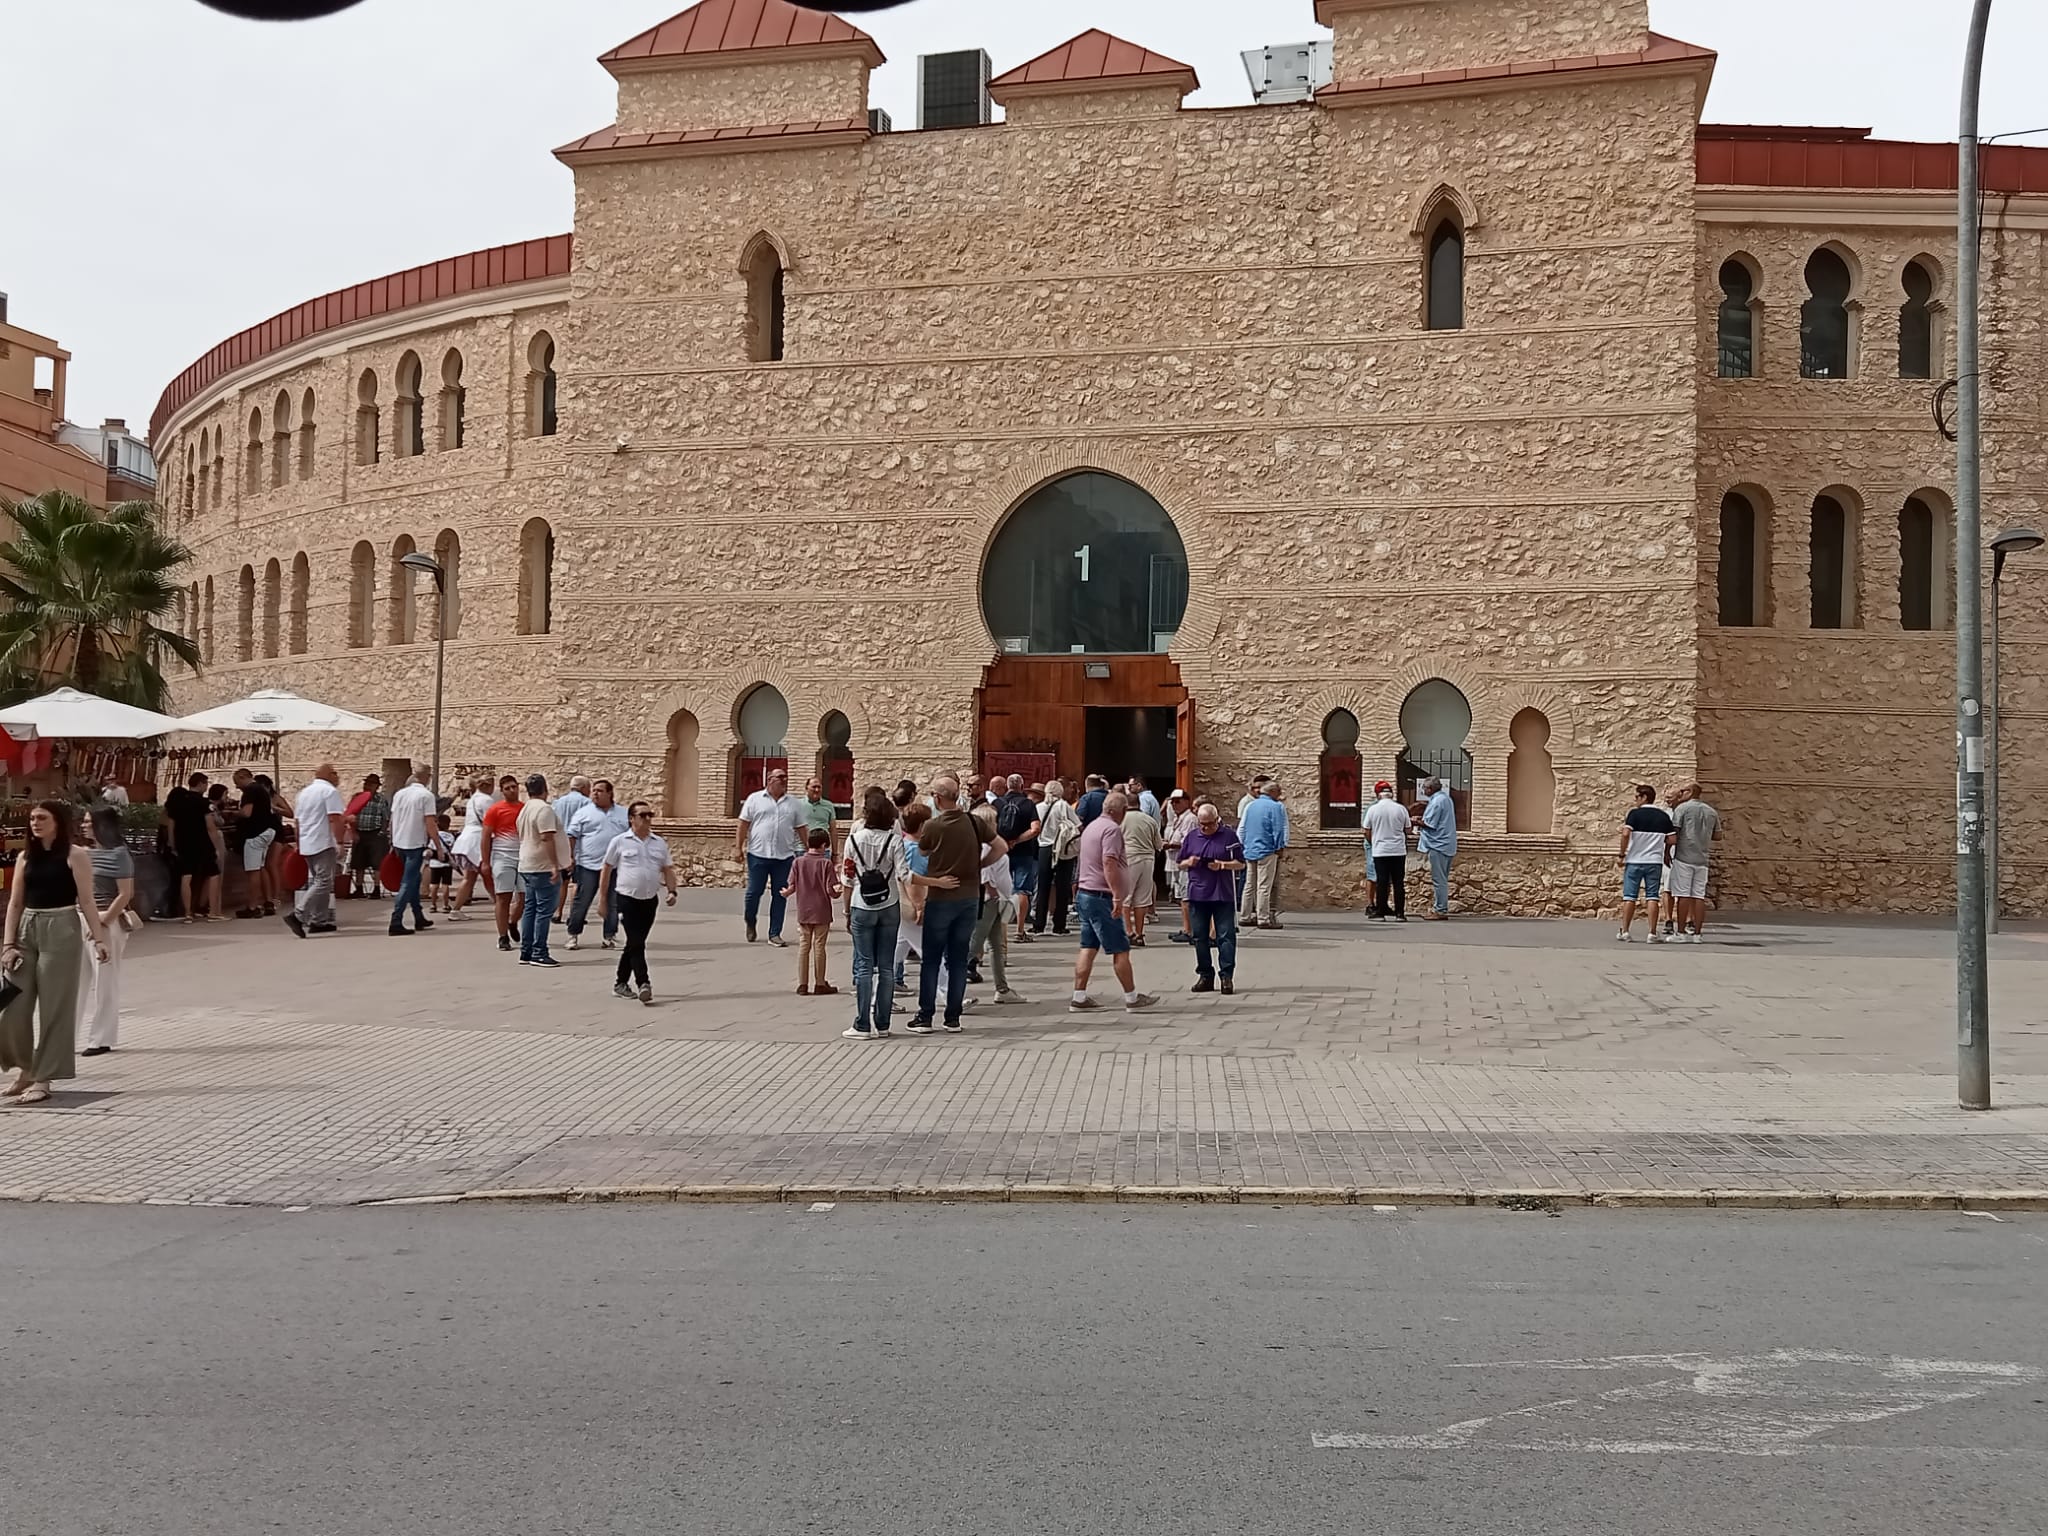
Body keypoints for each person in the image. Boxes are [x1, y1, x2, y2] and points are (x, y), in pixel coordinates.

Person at [1, 801, 111, 1105]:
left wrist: (99, 939)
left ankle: (44, 1077)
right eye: (32, 818)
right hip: (26, 929)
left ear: (58, 822)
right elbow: (15, 902)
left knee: (54, 1007)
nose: (35, 823)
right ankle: (25, 1069)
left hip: (61, 928)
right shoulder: (25, 856)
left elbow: (87, 901)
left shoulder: (76, 855)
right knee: (11, 1004)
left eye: (42, 818)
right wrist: (8, 944)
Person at [910, 774, 991, 1033]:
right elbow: (1000, 846)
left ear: (937, 798)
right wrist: (979, 866)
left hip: (941, 898)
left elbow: (922, 850)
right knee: (958, 959)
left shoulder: (934, 826)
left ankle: (925, 1016)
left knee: (931, 959)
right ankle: (953, 1017)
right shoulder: (974, 821)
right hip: (969, 897)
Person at [1069, 791, 1157, 1012]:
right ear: (1123, 810)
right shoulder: (1111, 829)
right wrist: (1117, 895)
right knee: (1120, 948)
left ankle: (1079, 996)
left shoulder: (1092, 827)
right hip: (1101, 896)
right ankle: (1132, 998)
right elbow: (1109, 861)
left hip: (1086, 893)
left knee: (1088, 946)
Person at [842, 787, 908, 1038]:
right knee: (887, 967)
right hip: (889, 902)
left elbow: (848, 878)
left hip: (862, 903)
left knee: (864, 966)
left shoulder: (853, 840)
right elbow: (903, 874)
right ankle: (883, 1023)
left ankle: (862, 1023)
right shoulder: (894, 840)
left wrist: (846, 911)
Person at [600, 800, 677, 1004]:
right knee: (636, 942)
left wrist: (672, 891)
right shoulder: (620, 841)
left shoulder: (658, 842)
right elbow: (607, 868)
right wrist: (603, 899)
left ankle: (620, 983)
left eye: (650, 815)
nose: (647, 819)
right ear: (631, 818)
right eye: (643, 815)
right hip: (627, 899)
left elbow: (667, 869)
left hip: (649, 900)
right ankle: (644, 983)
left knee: (636, 942)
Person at [80, 809, 135, 1057]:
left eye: (89, 822)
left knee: (105, 980)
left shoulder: (119, 854)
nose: (84, 826)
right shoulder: (83, 853)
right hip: (81, 918)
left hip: (106, 919)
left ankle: (102, 1038)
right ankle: (65, 1036)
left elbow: (125, 893)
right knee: (76, 981)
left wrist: (104, 920)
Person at [1178, 800, 1245, 994]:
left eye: (1209, 824)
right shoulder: (1192, 837)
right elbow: (1180, 862)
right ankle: (1206, 975)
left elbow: (1241, 863)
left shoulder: (1229, 836)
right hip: (1198, 894)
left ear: (1217, 820)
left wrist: (1222, 865)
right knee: (1200, 937)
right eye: (1202, 824)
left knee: (1226, 936)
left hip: (1222, 894)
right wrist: (1189, 862)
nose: (1205, 828)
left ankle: (1226, 976)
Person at [736, 767, 803, 947]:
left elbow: (801, 828)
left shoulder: (794, 803)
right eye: (780, 777)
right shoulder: (754, 799)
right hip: (758, 854)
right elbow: (743, 824)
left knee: (780, 895)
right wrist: (738, 848)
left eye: (785, 777)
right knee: (753, 892)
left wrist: (808, 849)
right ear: (770, 779)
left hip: (784, 856)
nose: (784, 780)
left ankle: (775, 933)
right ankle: (750, 921)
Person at [967, 801, 1025, 1004]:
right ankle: (951, 986)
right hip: (990, 900)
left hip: (997, 899)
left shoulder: (984, 845)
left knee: (996, 945)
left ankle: (1002, 988)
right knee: (975, 944)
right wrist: (992, 891)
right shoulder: (985, 846)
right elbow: (983, 872)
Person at [563, 779, 630, 951]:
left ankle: (609, 936)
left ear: (610, 793)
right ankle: (573, 934)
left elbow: (630, 837)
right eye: (593, 790)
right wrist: (570, 857)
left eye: (600, 790)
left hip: (615, 866)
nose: (595, 793)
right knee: (582, 901)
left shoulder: (623, 813)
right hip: (588, 865)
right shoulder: (583, 813)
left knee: (613, 902)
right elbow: (572, 835)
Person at [283, 763, 346, 938]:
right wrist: (340, 841)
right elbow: (334, 818)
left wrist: (299, 843)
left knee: (319, 881)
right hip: (322, 841)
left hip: (307, 842)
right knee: (323, 881)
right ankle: (298, 914)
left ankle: (319, 920)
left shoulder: (304, 793)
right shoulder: (329, 792)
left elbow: (297, 821)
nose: (337, 776)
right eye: (334, 773)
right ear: (328, 775)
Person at [1616, 783, 1676, 943]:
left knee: (1629, 897)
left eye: (1637, 797)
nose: (1635, 800)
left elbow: (1625, 833)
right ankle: (1652, 933)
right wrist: (1660, 844)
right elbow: (1672, 839)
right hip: (1654, 861)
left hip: (1635, 860)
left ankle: (1625, 931)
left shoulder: (1634, 814)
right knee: (1652, 897)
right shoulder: (1663, 816)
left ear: (1644, 797)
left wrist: (1622, 854)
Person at [515, 774, 564, 967]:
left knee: (531, 908)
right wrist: (554, 864)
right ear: (545, 788)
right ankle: (539, 951)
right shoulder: (544, 809)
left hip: (527, 862)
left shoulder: (525, 809)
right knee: (544, 910)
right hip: (541, 865)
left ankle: (526, 951)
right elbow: (546, 837)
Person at [387, 766, 440, 937]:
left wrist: (392, 840)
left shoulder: (399, 794)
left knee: (414, 880)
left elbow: (392, 820)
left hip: (399, 841)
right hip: (414, 843)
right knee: (408, 881)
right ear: (427, 777)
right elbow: (430, 823)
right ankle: (396, 920)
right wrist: (438, 847)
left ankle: (418, 916)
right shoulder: (426, 796)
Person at [1667, 781, 1720, 943]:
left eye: (1683, 791)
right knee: (1698, 896)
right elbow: (1718, 835)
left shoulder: (1682, 809)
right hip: (1702, 859)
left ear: (1690, 792)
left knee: (1683, 895)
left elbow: (1674, 832)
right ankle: (1697, 934)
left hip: (1684, 857)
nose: (1680, 794)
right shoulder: (1711, 811)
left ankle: (1681, 932)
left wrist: (1666, 852)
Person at [162, 771, 216, 924]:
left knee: (186, 876)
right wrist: (215, 845)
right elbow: (210, 826)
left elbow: (171, 825)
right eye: (206, 784)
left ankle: (188, 913)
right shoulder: (203, 802)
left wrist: (172, 843)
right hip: (201, 842)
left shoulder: (178, 802)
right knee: (213, 873)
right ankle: (213, 911)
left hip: (183, 843)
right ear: (200, 784)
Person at [995, 774, 1041, 944]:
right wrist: (1017, 840)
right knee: (1022, 891)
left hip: (1001, 853)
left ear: (1007, 786)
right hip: (1024, 852)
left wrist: (1004, 843)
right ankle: (1020, 931)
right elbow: (1035, 829)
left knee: (1000, 890)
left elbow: (989, 827)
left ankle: (999, 930)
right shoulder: (1028, 804)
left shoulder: (997, 803)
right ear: (1022, 786)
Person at [481, 774, 525, 952]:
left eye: (514, 787)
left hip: (523, 857)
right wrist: (485, 862)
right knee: (503, 897)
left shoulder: (524, 808)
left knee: (525, 897)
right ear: (502, 791)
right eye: (508, 788)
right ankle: (503, 936)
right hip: (502, 856)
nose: (512, 791)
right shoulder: (495, 810)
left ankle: (512, 921)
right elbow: (485, 836)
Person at [1238, 781, 1289, 930]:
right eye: (1278, 792)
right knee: (1264, 886)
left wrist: (1243, 844)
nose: (1280, 795)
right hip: (1267, 849)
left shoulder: (1250, 805)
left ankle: (1245, 916)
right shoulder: (1276, 807)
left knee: (1249, 884)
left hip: (1250, 848)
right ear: (1272, 792)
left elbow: (1243, 827)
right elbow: (1278, 829)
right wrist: (1280, 847)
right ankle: (1263, 918)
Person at [1032, 777, 1078, 936]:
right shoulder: (1064, 806)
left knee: (1043, 886)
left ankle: (1039, 923)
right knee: (1062, 886)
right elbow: (1077, 826)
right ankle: (1059, 924)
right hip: (1062, 848)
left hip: (1044, 848)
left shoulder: (1038, 807)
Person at [447, 774, 494, 920]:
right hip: (477, 841)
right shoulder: (486, 800)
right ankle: (501, 905)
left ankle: (456, 910)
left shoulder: (472, 799)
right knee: (487, 875)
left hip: (466, 840)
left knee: (469, 878)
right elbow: (490, 822)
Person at [1118, 789, 1162, 945]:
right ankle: (1139, 933)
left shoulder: (1121, 820)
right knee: (1142, 900)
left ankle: (1128, 931)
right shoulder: (1149, 820)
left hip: (1129, 858)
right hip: (1148, 859)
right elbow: (1158, 844)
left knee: (1126, 897)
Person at [233, 767, 278, 919]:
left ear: (242, 777)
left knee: (253, 871)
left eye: (236, 782)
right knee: (260, 867)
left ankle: (252, 906)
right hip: (267, 831)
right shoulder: (261, 790)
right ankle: (266, 902)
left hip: (255, 834)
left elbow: (246, 813)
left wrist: (232, 813)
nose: (236, 786)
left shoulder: (250, 791)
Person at [1364, 781, 1412, 922]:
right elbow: (1408, 829)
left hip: (1380, 850)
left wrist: (1374, 842)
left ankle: (1380, 912)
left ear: (1379, 795)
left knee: (1382, 882)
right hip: (1398, 850)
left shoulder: (1373, 809)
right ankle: (1400, 914)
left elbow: (1366, 830)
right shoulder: (1401, 809)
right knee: (1398, 882)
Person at [549, 775, 594, 921]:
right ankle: (574, 914)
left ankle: (558, 912)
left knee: (563, 881)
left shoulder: (557, 803)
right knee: (577, 882)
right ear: (583, 788)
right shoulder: (587, 803)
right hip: (580, 846)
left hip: (561, 845)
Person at [1418, 775, 1458, 921]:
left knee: (1439, 879)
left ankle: (1440, 909)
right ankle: (1440, 907)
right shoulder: (1445, 799)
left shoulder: (1437, 802)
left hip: (1438, 845)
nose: (1423, 791)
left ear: (1430, 789)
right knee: (1442, 879)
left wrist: (1414, 821)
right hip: (1447, 844)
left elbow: (1430, 824)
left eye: (1424, 788)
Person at [343, 774, 389, 899]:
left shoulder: (381, 800)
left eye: (371, 784)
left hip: (375, 833)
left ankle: (376, 889)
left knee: (377, 863)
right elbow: (351, 814)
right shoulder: (357, 798)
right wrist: (353, 832)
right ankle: (359, 888)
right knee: (358, 862)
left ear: (376, 786)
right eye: (366, 783)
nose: (367, 786)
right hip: (360, 832)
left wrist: (382, 832)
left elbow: (385, 817)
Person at [1161, 788, 1197, 943]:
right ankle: (1187, 928)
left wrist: (1170, 845)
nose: (1175, 805)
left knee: (1186, 898)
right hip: (1176, 862)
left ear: (1186, 802)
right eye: (1173, 802)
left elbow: (1189, 842)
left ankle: (1190, 930)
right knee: (1182, 897)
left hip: (1185, 863)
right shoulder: (1178, 818)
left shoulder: (1190, 819)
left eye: (1178, 801)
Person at [1234, 774, 1271, 908]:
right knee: (1247, 877)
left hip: (1257, 844)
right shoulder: (1247, 802)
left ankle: (1251, 904)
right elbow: (1242, 824)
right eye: (1258, 787)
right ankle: (1242, 902)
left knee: (1253, 878)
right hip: (1249, 844)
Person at [426, 813, 455, 914]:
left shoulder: (434, 836)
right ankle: (445, 905)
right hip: (446, 863)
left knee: (434, 884)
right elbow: (452, 850)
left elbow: (430, 849)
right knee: (445, 885)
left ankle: (433, 905)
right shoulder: (450, 836)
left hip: (434, 863)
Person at [799, 776, 837, 845]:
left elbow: (833, 830)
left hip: (823, 848)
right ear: (806, 788)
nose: (817, 790)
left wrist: (835, 851)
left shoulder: (829, 805)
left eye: (819, 787)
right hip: (802, 848)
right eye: (814, 787)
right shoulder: (798, 805)